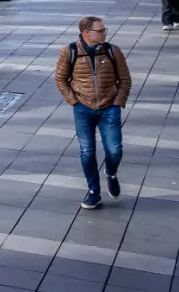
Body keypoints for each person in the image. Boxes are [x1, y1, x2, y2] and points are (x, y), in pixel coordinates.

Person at [53, 16, 131, 210]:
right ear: (86, 33)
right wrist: (74, 101)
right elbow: (60, 79)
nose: (104, 33)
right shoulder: (69, 52)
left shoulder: (113, 51)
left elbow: (125, 79)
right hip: (83, 108)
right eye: (100, 30)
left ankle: (111, 173)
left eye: (105, 30)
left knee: (114, 149)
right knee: (87, 151)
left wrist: (118, 101)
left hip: (109, 107)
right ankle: (94, 192)